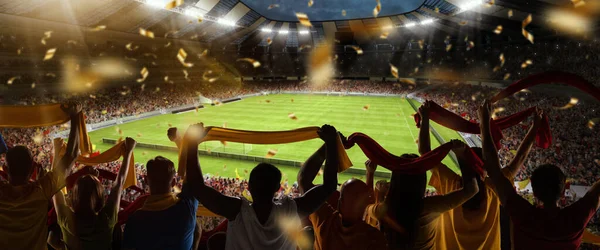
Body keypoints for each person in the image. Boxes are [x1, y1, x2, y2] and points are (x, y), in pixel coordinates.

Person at [184, 123, 340, 250]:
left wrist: (192, 143)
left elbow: (197, 186)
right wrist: (331, 144)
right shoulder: (290, 210)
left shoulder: (236, 211)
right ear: (278, 188)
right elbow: (329, 186)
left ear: (249, 187)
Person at [417, 100, 542, 250]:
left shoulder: (450, 184)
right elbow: (520, 157)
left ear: (461, 167)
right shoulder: (495, 187)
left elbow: (425, 153)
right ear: (485, 169)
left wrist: (424, 118)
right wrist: (535, 126)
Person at [478, 99, 600, 250]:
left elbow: (493, 168)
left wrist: (484, 121)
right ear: (563, 192)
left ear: (534, 192)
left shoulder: (524, 216)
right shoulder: (576, 219)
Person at [365, 140, 479, 250]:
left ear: (395, 181)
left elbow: (366, 206)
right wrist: (461, 155)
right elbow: (471, 189)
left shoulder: (383, 209)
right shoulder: (429, 207)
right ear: (421, 181)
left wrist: (370, 174)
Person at [0, 102, 82, 250]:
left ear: (5, 169)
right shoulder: (42, 189)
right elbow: (71, 155)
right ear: (32, 168)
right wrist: (75, 117)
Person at [297, 139, 388, 250]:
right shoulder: (374, 238)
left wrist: (330, 144)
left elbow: (303, 179)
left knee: (307, 232)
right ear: (366, 207)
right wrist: (370, 174)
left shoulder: (325, 222)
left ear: (339, 202)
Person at [52, 137, 136, 249]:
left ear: (74, 197)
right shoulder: (107, 219)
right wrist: (129, 152)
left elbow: (53, 184)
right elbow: (118, 183)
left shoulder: (67, 220)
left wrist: (57, 152)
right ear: (100, 197)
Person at [122, 155, 199, 250]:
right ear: (174, 182)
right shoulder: (187, 208)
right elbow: (194, 175)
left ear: (146, 180)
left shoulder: (134, 221)